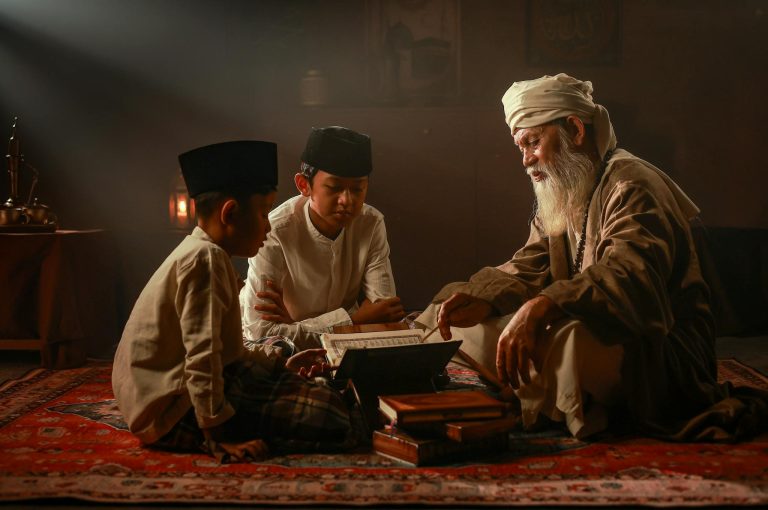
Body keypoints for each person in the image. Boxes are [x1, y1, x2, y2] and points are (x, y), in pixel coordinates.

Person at [416, 73, 761, 441]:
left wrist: (542, 306)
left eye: (532, 142)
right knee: (459, 323)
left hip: (659, 352)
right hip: (598, 333)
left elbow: (630, 277)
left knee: (568, 338)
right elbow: (528, 266)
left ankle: (557, 400)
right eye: (521, 147)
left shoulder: (633, 184)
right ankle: (558, 395)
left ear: (575, 130)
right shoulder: (564, 189)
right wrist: (481, 297)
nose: (526, 160)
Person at [112, 141, 358, 463]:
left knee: (314, 384)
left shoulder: (207, 254)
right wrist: (219, 436)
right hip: (172, 410)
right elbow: (202, 358)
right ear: (229, 213)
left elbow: (229, 348)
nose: (268, 226)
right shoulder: (205, 260)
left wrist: (279, 363)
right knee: (331, 413)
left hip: (194, 387)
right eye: (263, 213)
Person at [240, 126, 404, 352]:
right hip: (279, 353)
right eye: (334, 188)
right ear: (304, 185)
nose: (347, 200)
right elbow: (260, 333)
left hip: (342, 346)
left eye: (358, 189)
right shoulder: (275, 230)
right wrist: (354, 320)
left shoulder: (371, 223)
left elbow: (384, 311)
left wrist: (294, 327)